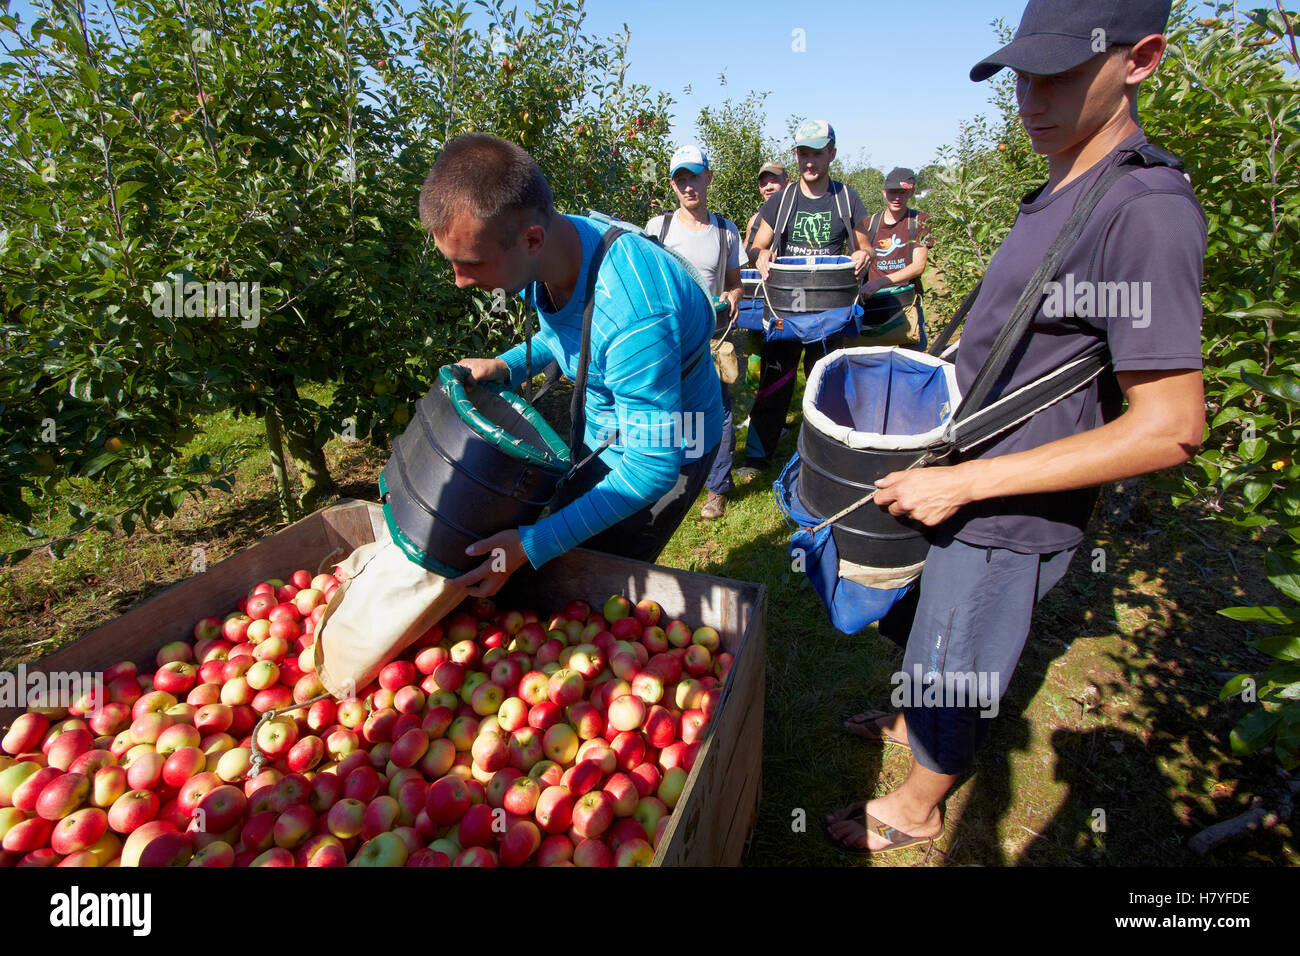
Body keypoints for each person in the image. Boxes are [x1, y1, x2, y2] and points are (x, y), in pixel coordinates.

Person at [826, 0, 1207, 855]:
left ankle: (922, 801)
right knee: (926, 626)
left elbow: (1173, 426)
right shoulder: (1070, 180)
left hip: (1011, 503)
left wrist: (965, 481)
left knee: (960, 658)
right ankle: (907, 721)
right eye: (1022, 75)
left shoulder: (1146, 208)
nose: (1031, 99)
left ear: (1140, 59)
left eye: (1061, 74)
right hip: (970, 470)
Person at [420, 133, 724, 597]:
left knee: (603, 577)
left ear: (532, 239)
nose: (460, 281)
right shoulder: (558, 248)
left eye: (472, 263)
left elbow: (651, 467)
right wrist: (504, 366)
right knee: (573, 548)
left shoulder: (634, 313)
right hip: (605, 435)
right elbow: (568, 335)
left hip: (669, 447)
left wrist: (531, 545)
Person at [738, 120, 871, 478]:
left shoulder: (847, 198)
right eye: (802, 153)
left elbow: (865, 246)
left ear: (831, 153)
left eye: (816, 153)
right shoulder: (782, 200)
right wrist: (759, 255)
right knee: (774, 383)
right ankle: (757, 457)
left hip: (830, 312)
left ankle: (831, 454)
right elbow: (757, 245)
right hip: (786, 310)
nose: (809, 161)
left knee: (829, 383)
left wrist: (863, 256)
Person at [645, 144, 744, 520]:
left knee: (717, 410)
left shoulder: (725, 231)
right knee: (672, 405)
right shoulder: (658, 229)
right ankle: (679, 474)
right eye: (680, 179)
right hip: (668, 337)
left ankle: (716, 487)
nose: (688, 186)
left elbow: (736, 282)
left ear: (709, 177)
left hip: (712, 336)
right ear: (673, 186)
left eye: (694, 177)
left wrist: (733, 296)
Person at [858, 167, 934, 347]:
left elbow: (918, 266)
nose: (897, 197)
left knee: (912, 361)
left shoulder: (920, 221)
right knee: (875, 363)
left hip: (906, 305)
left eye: (903, 192)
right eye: (893, 191)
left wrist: (880, 282)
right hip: (875, 305)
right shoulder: (869, 224)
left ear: (912, 192)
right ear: (884, 192)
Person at [744, 161, 789, 265]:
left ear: (787, 182)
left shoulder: (797, 213)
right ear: (760, 188)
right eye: (763, 184)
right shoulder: (754, 221)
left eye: (774, 181)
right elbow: (745, 259)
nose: (768, 187)